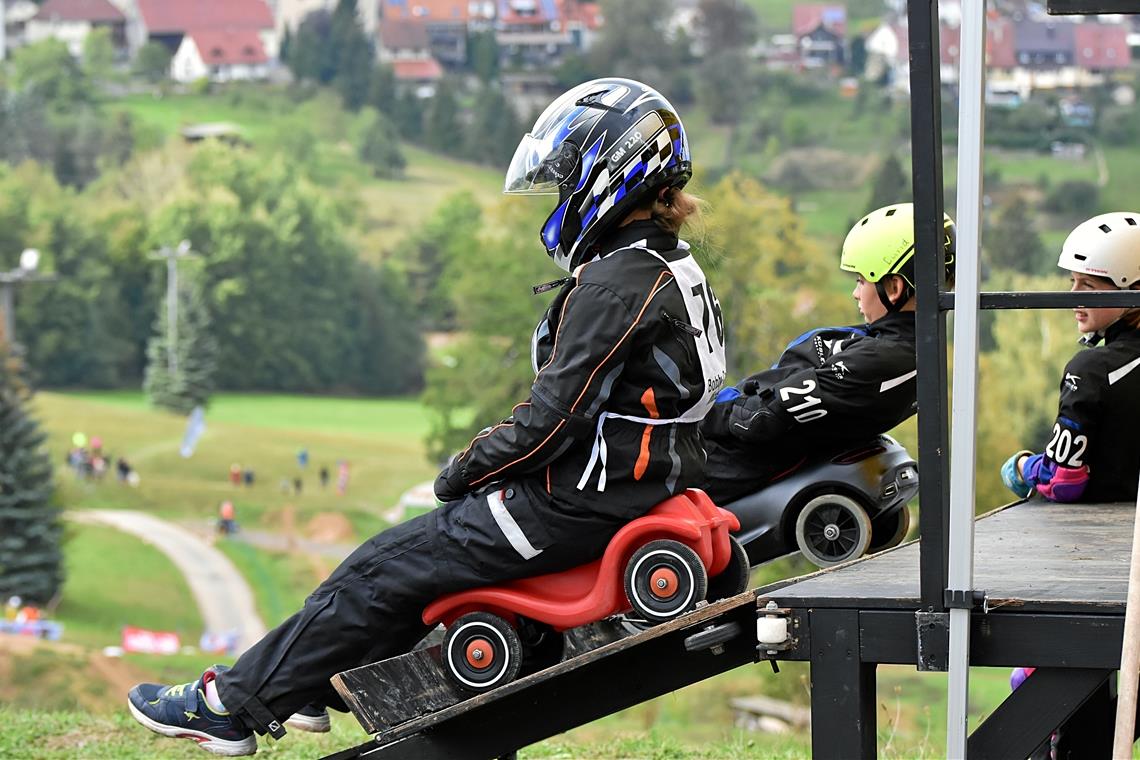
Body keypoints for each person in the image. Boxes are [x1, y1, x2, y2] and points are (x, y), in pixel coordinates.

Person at [127, 77, 726, 756]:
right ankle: (309, 685)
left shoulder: (615, 284)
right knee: (401, 567)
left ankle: (227, 707)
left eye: (566, 182)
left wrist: (463, 470)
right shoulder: (668, 265)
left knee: (377, 569)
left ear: (606, 173)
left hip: (574, 503)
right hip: (627, 489)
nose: (561, 199)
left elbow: (553, 420)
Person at [699, 202, 956, 507]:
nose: (856, 293)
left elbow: (758, 419)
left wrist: (700, 420)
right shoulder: (909, 346)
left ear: (895, 287)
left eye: (862, 281)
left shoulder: (883, 359)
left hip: (719, 459)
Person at [1001, 212, 1140, 504]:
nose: (1073, 296)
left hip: (1099, 537)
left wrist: (1022, 466)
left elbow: (1062, 481)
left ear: (1133, 293)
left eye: (1087, 286)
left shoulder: (1091, 371)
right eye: (1073, 282)